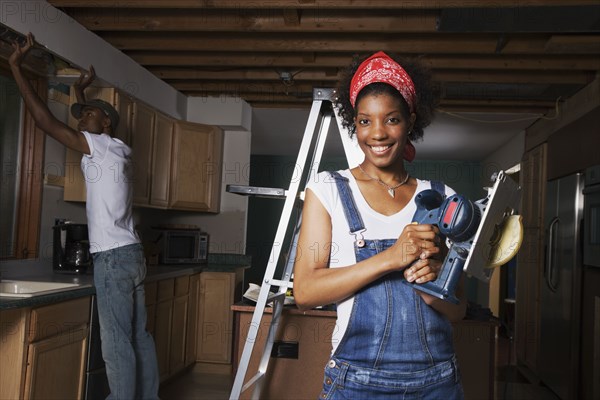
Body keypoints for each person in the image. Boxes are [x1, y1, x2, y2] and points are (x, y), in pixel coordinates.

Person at [293, 51, 467, 399]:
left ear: (410, 120)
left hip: (437, 384)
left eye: (391, 120)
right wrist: (392, 257)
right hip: (356, 384)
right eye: (364, 121)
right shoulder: (328, 189)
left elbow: (458, 310)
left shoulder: (441, 197)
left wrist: (432, 283)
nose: (378, 134)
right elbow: (306, 292)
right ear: (354, 123)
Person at [9, 33, 160, 400]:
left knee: (115, 342)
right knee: (138, 335)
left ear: (106, 122)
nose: (80, 121)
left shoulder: (101, 145)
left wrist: (15, 67)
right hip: (132, 256)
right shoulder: (116, 150)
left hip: (111, 259)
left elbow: (44, 122)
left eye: (88, 115)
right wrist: (81, 95)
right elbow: (89, 126)